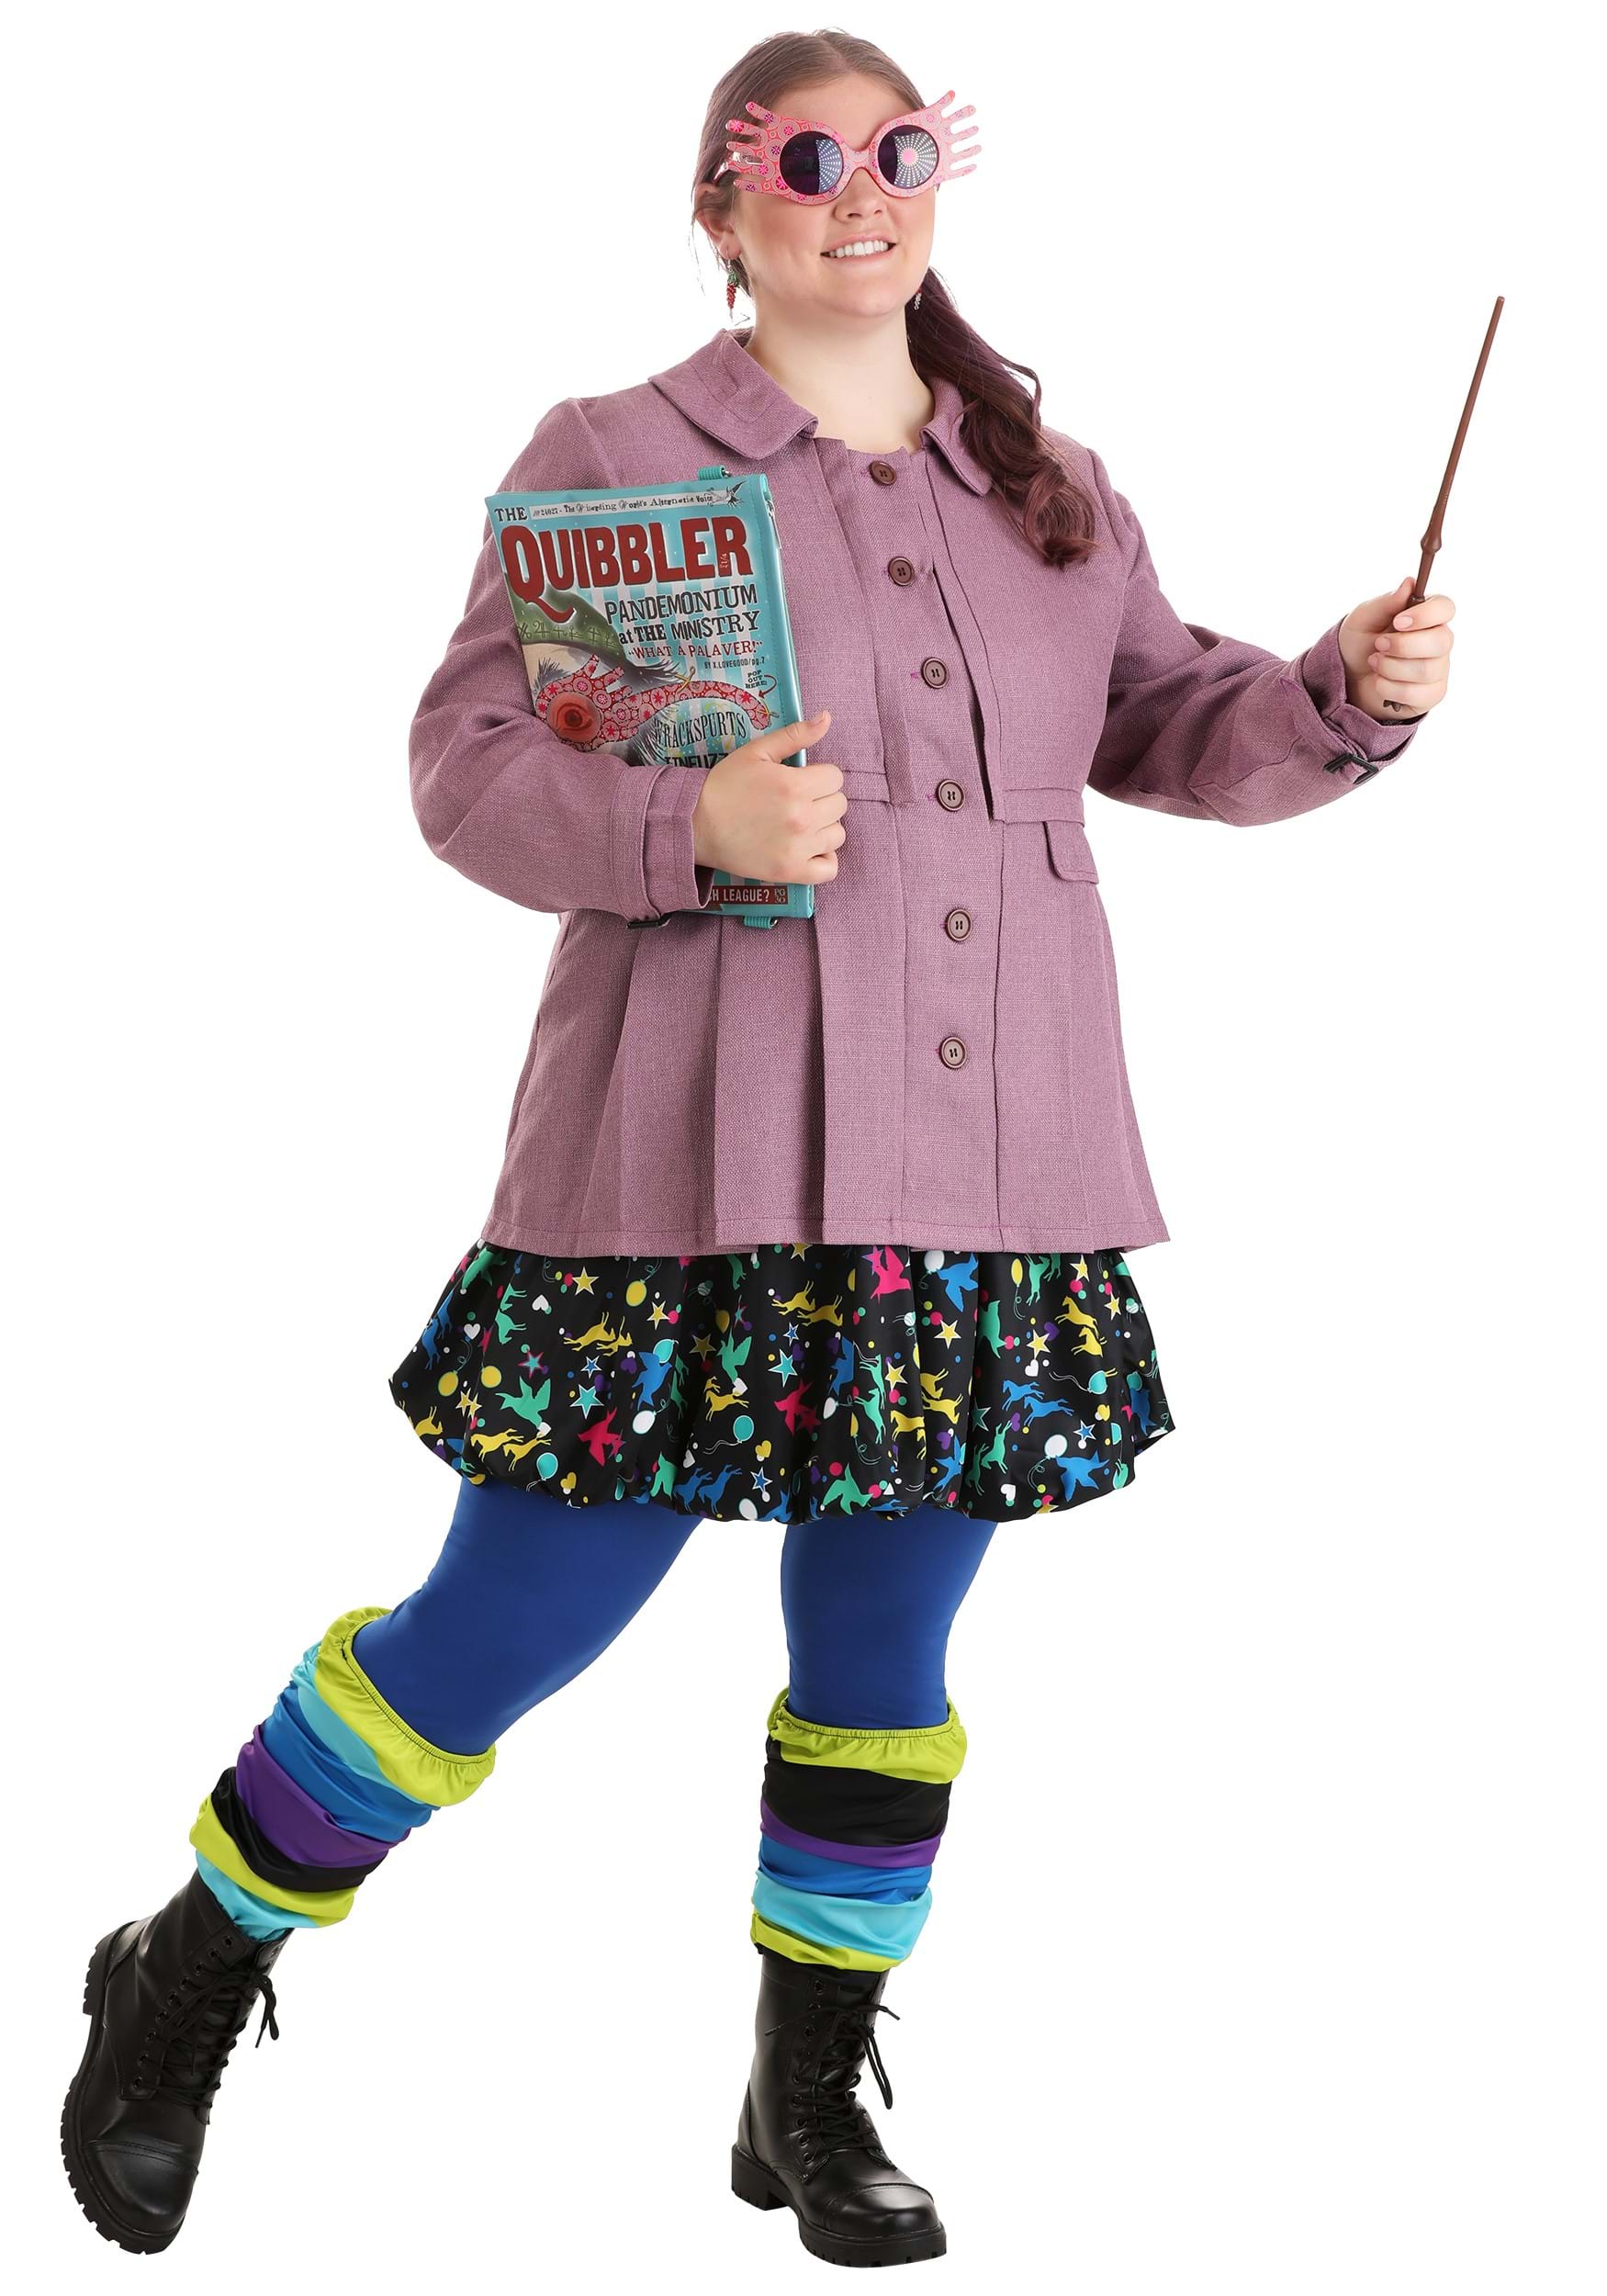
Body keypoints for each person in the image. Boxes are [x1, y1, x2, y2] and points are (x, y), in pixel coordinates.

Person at [58, 27, 1455, 2274]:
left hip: (980, 1170)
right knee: (503, 1620)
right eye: (804, 159)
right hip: (682, 1163)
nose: (859, 191)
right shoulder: (612, 460)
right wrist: (680, 823)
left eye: (899, 149)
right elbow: (464, 767)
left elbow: (1167, 717)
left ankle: (803, 2077)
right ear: (719, 205)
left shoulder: (1046, 484)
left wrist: (1337, 695)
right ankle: (191, 1953)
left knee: (884, 1653)